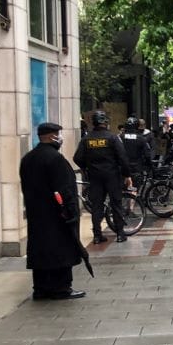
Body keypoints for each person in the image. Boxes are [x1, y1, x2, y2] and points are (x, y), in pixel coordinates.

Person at [20, 122, 86, 300]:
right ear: (52, 137)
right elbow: (64, 189)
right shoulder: (55, 159)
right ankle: (61, 288)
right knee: (61, 249)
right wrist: (71, 212)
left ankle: (41, 288)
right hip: (57, 214)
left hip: (36, 214)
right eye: (58, 134)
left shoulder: (28, 158)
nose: (60, 138)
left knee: (40, 249)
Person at [73, 110, 131, 244]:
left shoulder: (86, 139)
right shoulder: (112, 138)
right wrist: (127, 175)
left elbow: (77, 158)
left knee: (97, 206)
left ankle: (97, 235)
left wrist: (86, 167)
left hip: (95, 177)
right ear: (105, 122)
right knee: (116, 204)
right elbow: (123, 158)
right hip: (112, 176)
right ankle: (120, 234)